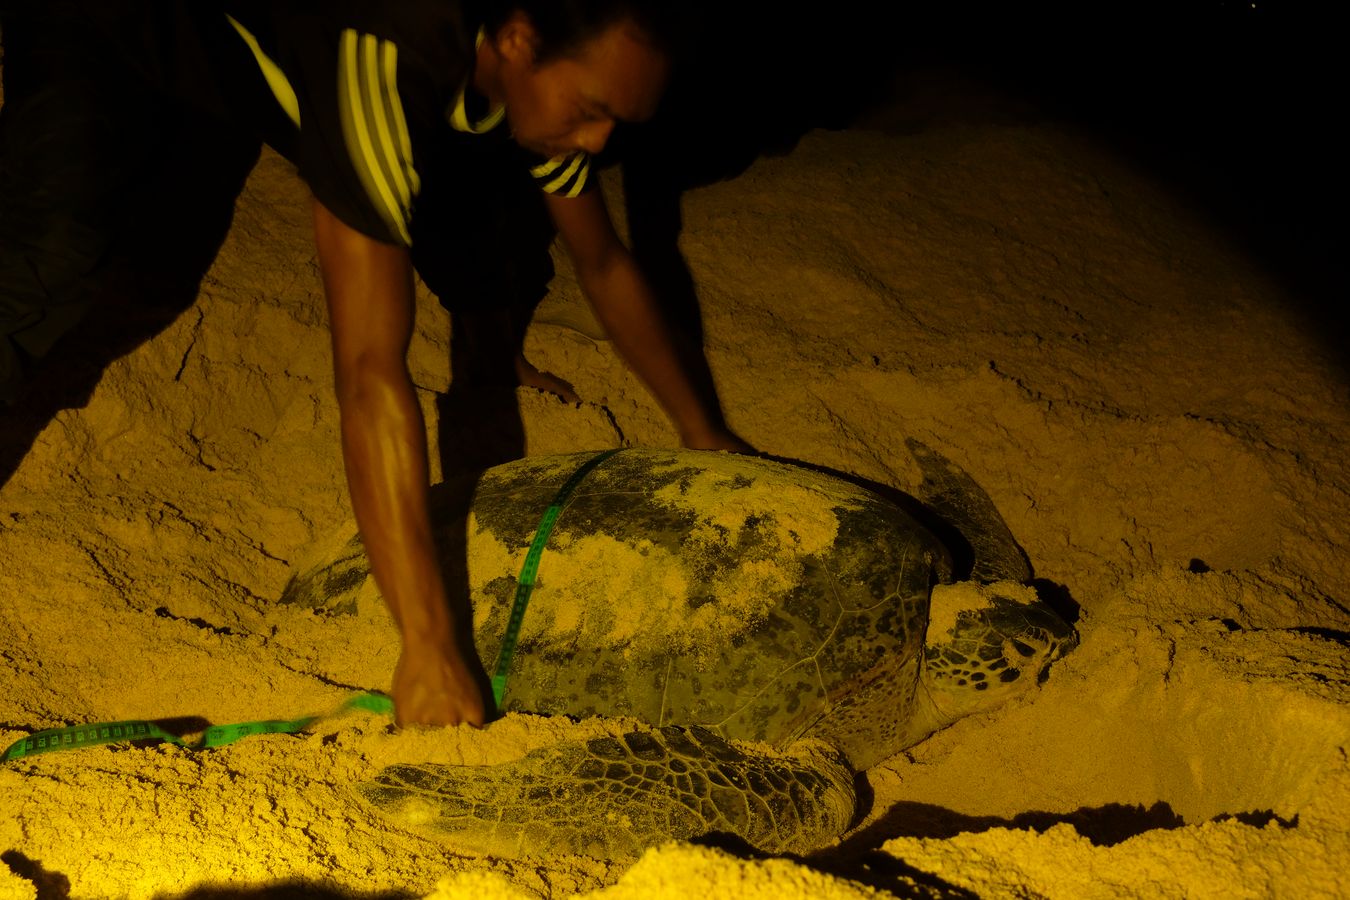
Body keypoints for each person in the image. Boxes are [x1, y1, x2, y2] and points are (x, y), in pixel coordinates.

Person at [0, 0, 749, 728]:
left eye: (616, 119)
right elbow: (367, 370)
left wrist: (703, 431)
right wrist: (427, 645)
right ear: (518, 39)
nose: (596, 139)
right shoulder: (383, 51)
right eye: (590, 108)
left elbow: (603, 260)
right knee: (54, 256)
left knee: (172, 265)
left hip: (235, 56)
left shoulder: (527, 84)